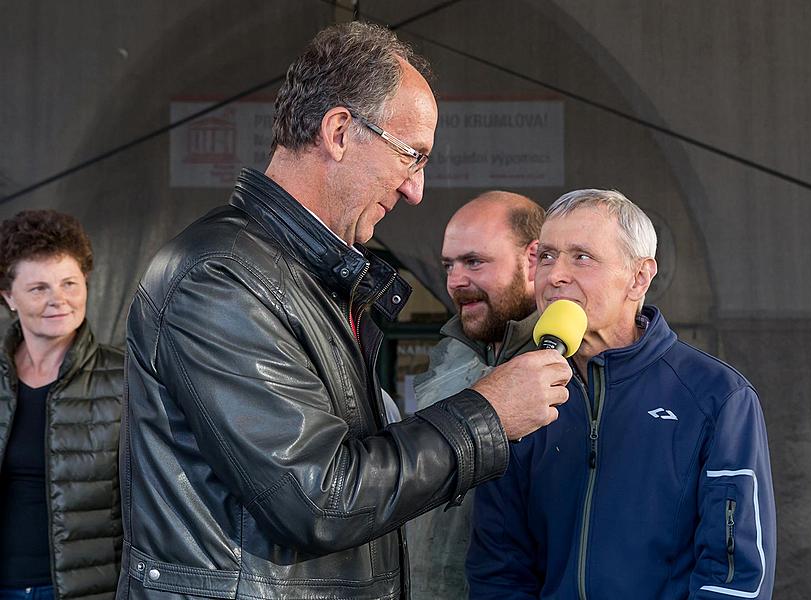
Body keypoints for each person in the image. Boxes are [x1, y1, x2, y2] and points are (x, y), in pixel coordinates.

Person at [116, 22, 570, 600]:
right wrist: (487, 412)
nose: (416, 191)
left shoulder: (308, 275)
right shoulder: (221, 277)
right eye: (412, 156)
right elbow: (319, 498)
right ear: (338, 131)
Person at [467, 189, 777, 599]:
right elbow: (498, 567)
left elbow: (735, 572)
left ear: (639, 277)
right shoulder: (519, 393)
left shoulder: (717, 396)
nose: (555, 274)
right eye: (546, 256)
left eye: (581, 257)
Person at [407, 191, 544, 599]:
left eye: (474, 262)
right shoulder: (450, 355)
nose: (455, 282)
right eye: (449, 264)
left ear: (533, 258)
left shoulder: (570, 365)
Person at [0, 210, 123, 600]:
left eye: (69, 283)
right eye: (38, 288)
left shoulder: (126, 377)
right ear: (9, 298)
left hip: (84, 590)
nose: (59, 300)